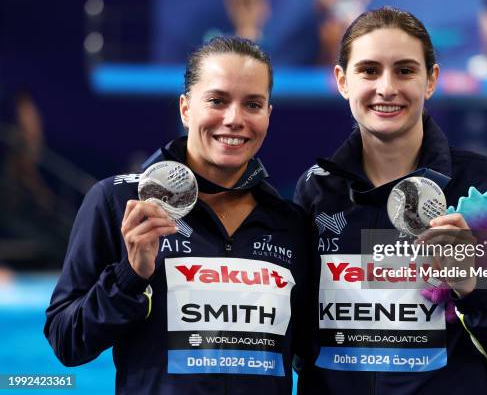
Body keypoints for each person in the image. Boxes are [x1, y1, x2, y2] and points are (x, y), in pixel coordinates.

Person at [294, 7, 487, 394]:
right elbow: (295, 337)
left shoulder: (486, 187)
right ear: (342, 80)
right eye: (369, 70)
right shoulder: (317, 191)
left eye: (405, 70)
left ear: (431, 80)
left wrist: (472, 286)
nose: (386, 87)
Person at [45, 36, 310, 395]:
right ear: (186, 109)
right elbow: (67, 341)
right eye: (217, 101)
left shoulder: (289, 223)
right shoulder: (119, 200)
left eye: (252, 104)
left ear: (268, 115)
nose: (234, 119)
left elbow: (314, 353)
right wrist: (130, 277)